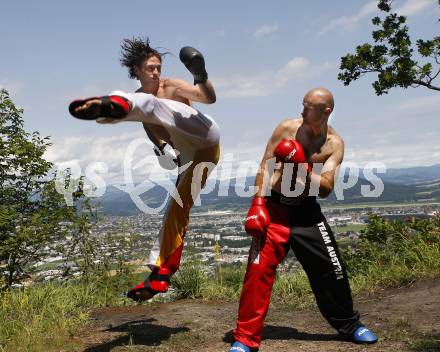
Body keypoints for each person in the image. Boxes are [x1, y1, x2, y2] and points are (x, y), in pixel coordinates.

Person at [68, 37, 220, 301]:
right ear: (136, 71)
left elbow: (208, 98)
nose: (156, 73)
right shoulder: (141, 98)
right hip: (187, 155)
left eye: (158, 67)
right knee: (175, 210)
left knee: (149, 104)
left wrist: (200, 75)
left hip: (205, 136)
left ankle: (109, 107)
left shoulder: (171, 86)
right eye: (150, 68)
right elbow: (150, 126)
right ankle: (159, 275)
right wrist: (163, 148)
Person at [229, 88, 377, 352]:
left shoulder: (334, 144)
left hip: (307, 212)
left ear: (326, 111)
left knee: (332, 269)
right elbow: (264, 166)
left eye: (308, 107)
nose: (302, 111)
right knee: (257, 271)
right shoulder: (286, 129)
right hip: (274, 209)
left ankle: (349, 325)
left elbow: (327, 186)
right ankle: (245, 339)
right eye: (302, 104)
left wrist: (303, 168)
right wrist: (257, 203)